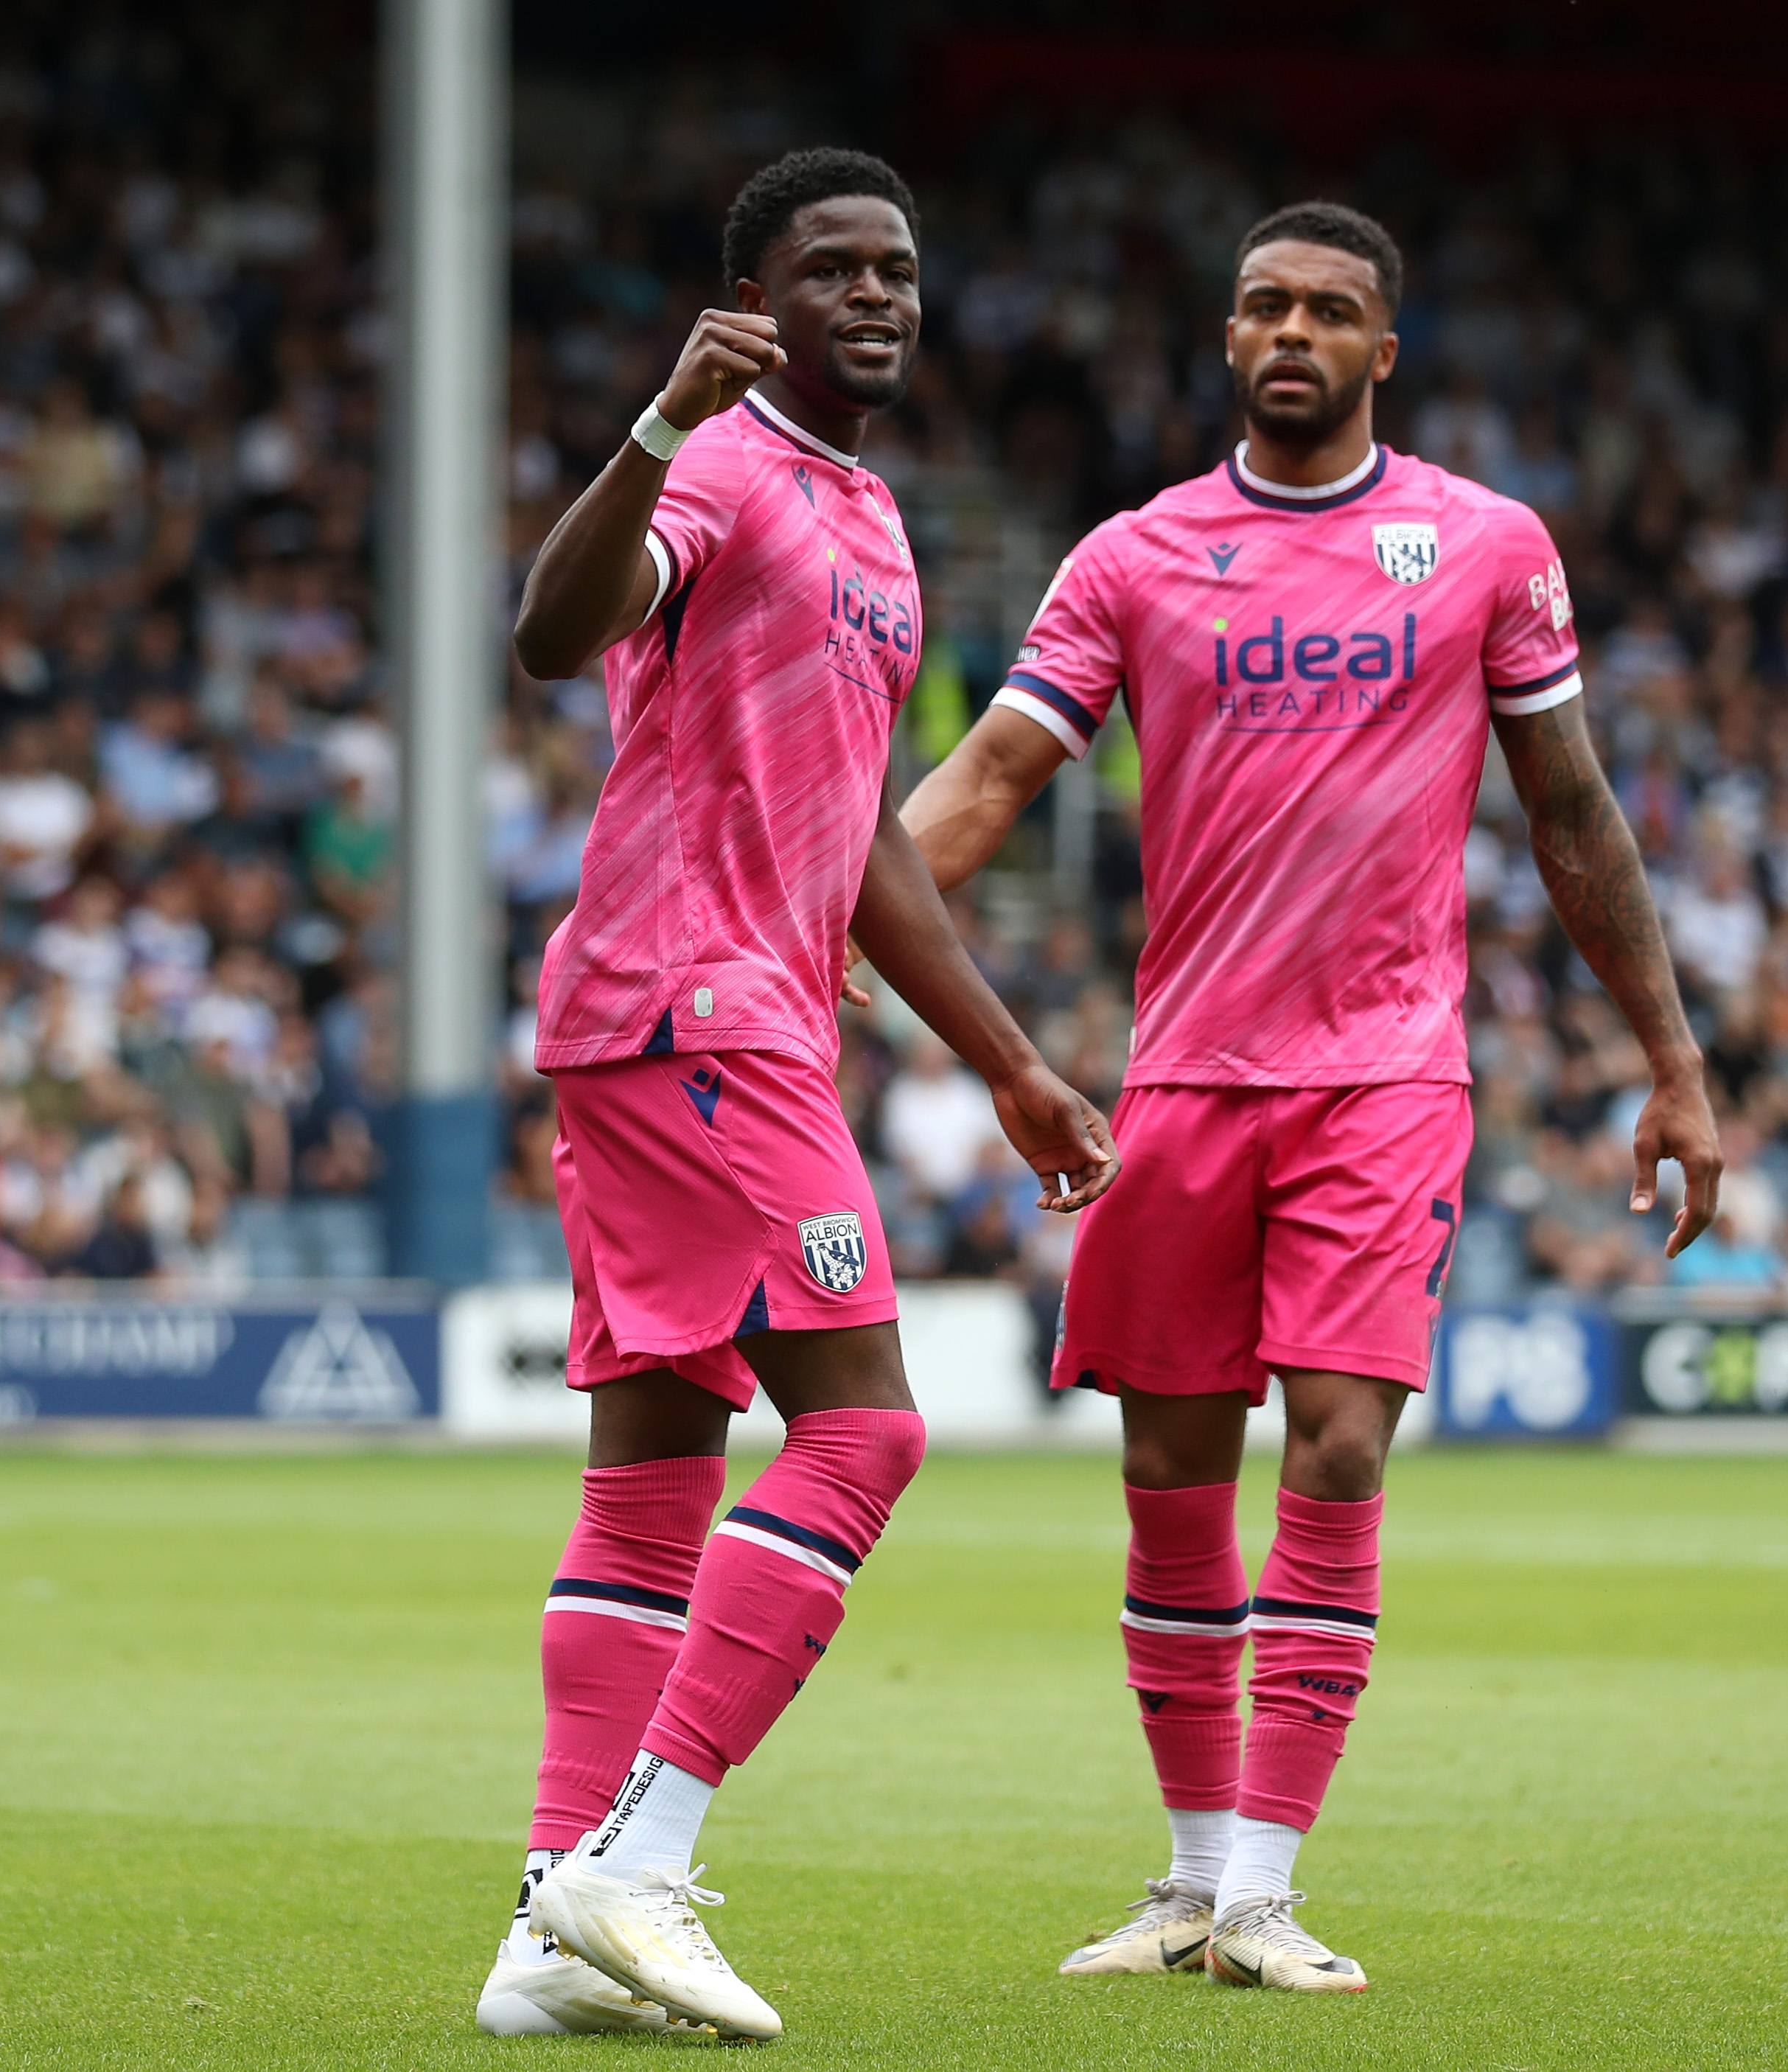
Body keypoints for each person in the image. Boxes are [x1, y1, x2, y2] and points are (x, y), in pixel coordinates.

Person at [900, 202, 1721, 1992]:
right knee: (1169, 1475)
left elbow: (1570, 811)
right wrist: (808, 942)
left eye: (1330, 310)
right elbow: (989, 776)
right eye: (1263, 303)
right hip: (1183, 1076)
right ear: (1225, 340)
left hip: (1385, 1074)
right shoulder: (1132, 557)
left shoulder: (1484, 546)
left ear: (1382, 351)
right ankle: (1192, 1880)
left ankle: (1266, 1887)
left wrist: (1672, 1057)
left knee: (1340, 1445)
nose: (1292, 330)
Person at [481, 148, 1119, 2043]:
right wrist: (654, 430)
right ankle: (635, 1856)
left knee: (657, 1472)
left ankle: (543, 1941)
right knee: (864, 1433)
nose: (878, 295)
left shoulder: (880, 528)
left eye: (899, 270)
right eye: (833, 268)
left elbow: (864, 851)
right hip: (692, 1009)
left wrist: (1005, 1060)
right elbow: (548, 630)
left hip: (702, 1011)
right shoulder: (727, 470)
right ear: (754, 299)